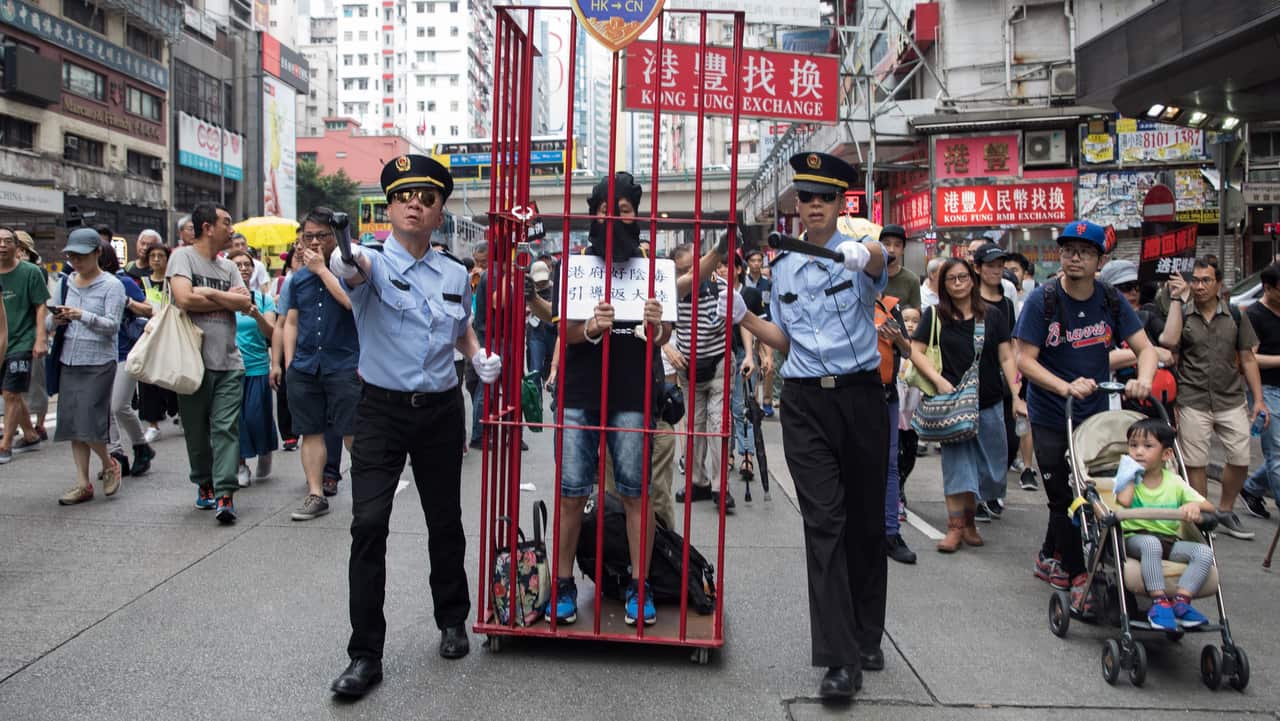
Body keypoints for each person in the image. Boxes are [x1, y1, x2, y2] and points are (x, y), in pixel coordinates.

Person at [326, 155, 501, 698]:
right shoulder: (371, 261)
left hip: (442, 408)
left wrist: (476, 354)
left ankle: (452, 618)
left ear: (439, 210)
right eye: (404, 196)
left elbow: (460, 325)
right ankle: (364, 654)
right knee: (368, 525)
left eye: (426, 198)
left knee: (445, 519)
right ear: (390, 206)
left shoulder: (453, 271)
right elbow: (349, 268)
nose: (414, 204)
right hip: (381, 409)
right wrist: (344, 247)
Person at [721, 152, 889, 700]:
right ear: (796, 204)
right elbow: (786, 337)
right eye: (806, 197)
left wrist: (863, 252)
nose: (814, 205)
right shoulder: (784, 263)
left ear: (841, 203)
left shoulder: (855, 251)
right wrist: (744, 318)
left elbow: (879, 261)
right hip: (805, 405)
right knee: (825, 524)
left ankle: (866, 635)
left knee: (866, 525)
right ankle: (839, 660)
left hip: (861, 400)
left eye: (825, 197)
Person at [527, 172, 673, 628]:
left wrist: (657, 324)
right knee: (572, 492)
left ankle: (639, 583)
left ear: (635, 216)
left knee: (636, 493)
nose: (613, 217)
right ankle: (565, 585)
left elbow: (664, 334)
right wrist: (590, 328)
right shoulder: (576, 269)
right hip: (580, 392)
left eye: (623, 210)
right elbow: (563, 329)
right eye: (605, 210)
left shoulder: (653, 268)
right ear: (593, 217)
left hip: (632, 392)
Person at [1014, 220, 1156, 612]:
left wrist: (1143, 379)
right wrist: (1063, 386)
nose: (1075, 258)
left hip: (1094, 416)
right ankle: (1078, 576)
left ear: (1100, 260)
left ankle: (1049, 554)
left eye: (1085, 251)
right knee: (1063, 496)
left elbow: (1146, 349)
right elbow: (1025, 360)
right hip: (1051, 413)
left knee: (1087, 493)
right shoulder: (1043, 301)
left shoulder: (1111, 300)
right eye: (1068, 250)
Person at [909, 257, 1018, 551]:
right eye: (951, 279)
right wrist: (939, 380)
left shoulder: (993, 316)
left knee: (988, 469)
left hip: (989, 401)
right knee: (957, 466)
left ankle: (969, 522)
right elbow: (915, 352)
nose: (958, 284)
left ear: (972, 278)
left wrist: (1018, 395)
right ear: (942, 285)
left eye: (963, 277)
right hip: (951, 403)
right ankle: (955, 527)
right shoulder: (934, 315)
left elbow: (1007, 356)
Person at [1159, 258, 1266, 540]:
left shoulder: (1235, 315)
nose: (1199, 286)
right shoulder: (1183, 312)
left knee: (1241, 458)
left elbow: (1247, 358)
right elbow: (1169, 344)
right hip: (1192, 397)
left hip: (1230, 398)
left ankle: (1226, 510)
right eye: (1195, 280)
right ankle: (1204, 515)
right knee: (1196, 462)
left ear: (1219, 284)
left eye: (1206, 280)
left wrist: (1258, 400)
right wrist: (1175, 300)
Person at [168, 202, 251, 524]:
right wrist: (222, 297)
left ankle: (225, 493)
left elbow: (244, 302)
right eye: (226, 223)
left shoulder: (229, 266)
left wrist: (207, 292)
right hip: (191, 363)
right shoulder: (182, 257)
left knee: (225, 429)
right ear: (207, 227)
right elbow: (184, 298)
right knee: (197, 433)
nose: (231, 229)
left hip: (229, 362)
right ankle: (203, 482)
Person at [279, 207, 360, 520]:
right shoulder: (298, 280)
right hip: (305, 364)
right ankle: (315, 493)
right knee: (310, 431)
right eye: (308, 236)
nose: (313, 242)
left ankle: (368, 490)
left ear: (335, 237)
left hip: (344, 363)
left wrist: (323, 271)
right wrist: (289, 364)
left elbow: (352, 304)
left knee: (351, 430)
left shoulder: (350, 269)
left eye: (321, 236)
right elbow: (291, 322)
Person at [47, 228, 125, 504]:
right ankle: (83, 483)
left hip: (99, 361)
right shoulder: (66, 283)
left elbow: (112, 326)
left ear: (97, 253)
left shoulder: (112, 285)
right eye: (72, 256)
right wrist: (57, 320)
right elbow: (48, 321)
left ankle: (109, 463)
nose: (76, 261)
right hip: (69, 358)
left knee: (88, 421)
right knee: (70, 423)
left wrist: (82, 315)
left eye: (81, 255)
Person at [1114, 418, 1215, 630]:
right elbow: (1123, 501)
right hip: (1135, 540)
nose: (1138, 451)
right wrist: (1130, 472)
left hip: (1169, 541)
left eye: (1147, 446)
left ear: (1166, 454)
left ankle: (1181, 601)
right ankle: (1159, 602)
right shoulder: (1129, 479)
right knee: (1151, 544)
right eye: (1133, 446)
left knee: (1203, 552)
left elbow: (1208, 506)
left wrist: (1192, 507)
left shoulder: (1174, 481)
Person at [672, 239, 735, 511]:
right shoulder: (672, 292)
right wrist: (667, 348)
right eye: (682, 270)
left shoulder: (721, 288)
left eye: (691, 268)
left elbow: (740, 318)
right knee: (695, 428)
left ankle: (721, 487)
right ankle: (698, 482)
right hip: (689, 369)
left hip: (719, 365)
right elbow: (656, 326)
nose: (688, 275)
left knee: (717, 427)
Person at [971, 243, 1019, 520]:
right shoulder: (966, 299)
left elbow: (1010, 348)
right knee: (971, 448)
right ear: (977, 268)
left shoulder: (1007, 303)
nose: (995, 270)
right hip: (967, 388)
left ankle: (991, 493)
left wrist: (1016, 386)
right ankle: (976, 499)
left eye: (999, 266)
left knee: (1002, 445)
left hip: (997, 384)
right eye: (990, 265)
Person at [100, 240, 156, 477]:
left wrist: (127, 302)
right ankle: (116, 455)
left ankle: (141, 446)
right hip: (99, 354)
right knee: (104, 408)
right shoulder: (85, 284)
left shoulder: (122, 282)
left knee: (119, 405)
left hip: (125, 352)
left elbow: (149, 309)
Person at [0, 225, 49, 464]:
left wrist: (40, 337)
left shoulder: (30, 272)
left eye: (7, 241)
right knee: (9, 392)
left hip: (22, 339)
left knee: (11, 392)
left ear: (17, 247)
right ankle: (30, 434)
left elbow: (41, 305)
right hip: (1, 343)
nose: (2, 245)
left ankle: (5, 445)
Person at [228, 248, 277, 486]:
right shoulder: (223, 298)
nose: (244, 268)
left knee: (256, 418)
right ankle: (240, 465)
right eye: (237, 264)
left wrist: (256, 314)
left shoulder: (264, 299)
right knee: (235, 421)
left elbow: (271, 332)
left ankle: (264, 452)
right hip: (230, 367)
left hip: (257, 366)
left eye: (247, 264)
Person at [874, 289, 916, 564]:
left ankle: (890, 532)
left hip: (886, 395)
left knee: (889, 464)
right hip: (850, 395)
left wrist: (897, 336)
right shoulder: (839, 298)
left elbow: (907, 349)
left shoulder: (889, 306)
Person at [1242, 263, 1280, 519]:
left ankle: (1252, 488)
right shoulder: (1254, 315)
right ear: (1267, 288)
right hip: (1265, 390)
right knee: (1276, 451)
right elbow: (1249, 358)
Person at [137, 244, 180, 441]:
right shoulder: (142, 283)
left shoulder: (176, 283)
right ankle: (152, 424)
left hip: (172, 335)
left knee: (175, 377)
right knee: (147, 380)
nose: (156, 259)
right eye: (152, 256)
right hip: (149, 336)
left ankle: (180, 413)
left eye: (160, 255)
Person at [880, 224, 920, 311]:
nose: (891, 250)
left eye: (897, 245)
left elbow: (916, 315)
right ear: (879, 246)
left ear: (903, 250)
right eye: (887, 244)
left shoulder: (912, 280)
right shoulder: (869, 276)